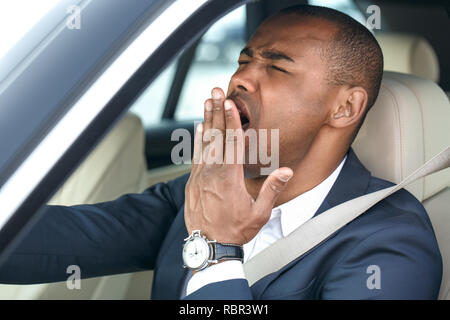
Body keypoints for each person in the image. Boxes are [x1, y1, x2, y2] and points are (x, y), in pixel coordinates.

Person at [0, 4, 442, 299]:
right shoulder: (201, 192)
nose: (241, 80)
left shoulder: (393, 245)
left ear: (345, 107)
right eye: (244, 61)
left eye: (275, 65)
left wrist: (216, 249)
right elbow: (56, 242)